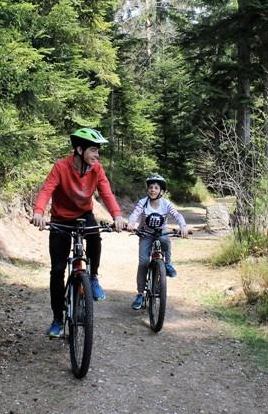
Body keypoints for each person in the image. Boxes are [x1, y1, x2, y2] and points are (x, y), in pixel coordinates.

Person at [32, 128, 125, 338]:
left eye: (98, 151)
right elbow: (47, 189)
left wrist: (117, 216)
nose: (97, 155)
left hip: (83, 215)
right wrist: (39, 212)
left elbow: (106, 193)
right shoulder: (61, 167)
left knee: (95, 236)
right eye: (93, 150)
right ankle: (57, 318)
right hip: (60, 220)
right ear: (79, 149)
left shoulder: (96, 169)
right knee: (57, 271)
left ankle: (92, 277)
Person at [126, 174, 188, 310]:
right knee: (143, 262)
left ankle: (167, 263)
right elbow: (135, 213)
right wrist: (131, 223)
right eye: (150, 187)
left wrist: (183, 226)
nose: (152, 190)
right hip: (145, 234)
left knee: (166, 240)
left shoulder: (166, 204)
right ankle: (140, 294)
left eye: (156, 188)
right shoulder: (143, 202)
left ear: (162, 191)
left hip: (161, 232)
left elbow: (177, 215)